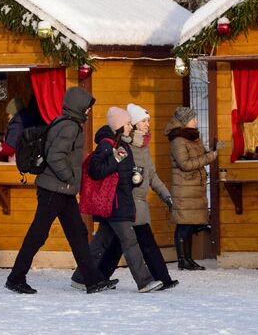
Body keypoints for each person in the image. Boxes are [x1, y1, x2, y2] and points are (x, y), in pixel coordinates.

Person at [5, 87, 115, 295]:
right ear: (78, 106)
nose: (89, 111)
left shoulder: (63, 122)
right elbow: (55, 155)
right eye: (87, 107)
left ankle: (91, 280)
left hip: (61, 190)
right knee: (38, 234)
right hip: (55, 188)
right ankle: (15, 277)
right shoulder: (70, 127)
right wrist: (70, 177)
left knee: (78, 234)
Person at [72, 103, 178, 290]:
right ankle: (144, 282)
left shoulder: (121, 145)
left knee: (101, 243)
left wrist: (134, 176)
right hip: (116, 202)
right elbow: (97, 170)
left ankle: (80, 277)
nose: (130, 126)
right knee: (130, 242)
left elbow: (125, 173)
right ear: (119, 125)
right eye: (129, 123)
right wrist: (117, 160)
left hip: (120, 201)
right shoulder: (110, 145)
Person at [164, 107, 222, 270]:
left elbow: (200, 156)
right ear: (184, 121)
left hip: (193, 187)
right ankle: (183, 260)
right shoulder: (178, 140)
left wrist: (212, 152)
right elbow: (185, 164)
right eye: (193, 118)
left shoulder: (193, 137)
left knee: (188, 225)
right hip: (184, 188)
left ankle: (188, 259)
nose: (196, 121)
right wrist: (210, 157)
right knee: (184, 225)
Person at [0, 96, 42, 160]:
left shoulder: (17, 124)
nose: (8, 116)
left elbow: (9, 149)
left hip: (16, 163)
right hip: (27, 161)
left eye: (9, 114)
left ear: (14, 113)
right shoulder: (27, 121)